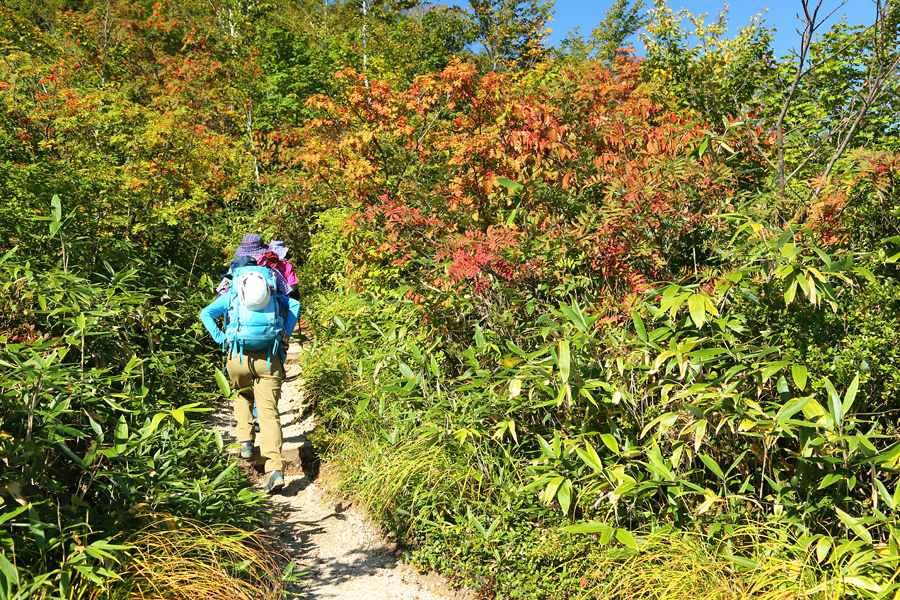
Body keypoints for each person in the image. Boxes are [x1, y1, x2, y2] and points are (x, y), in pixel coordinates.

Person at [199, 246, 301, 494]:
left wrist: (221, 338)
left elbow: (206, 313)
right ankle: (275, 469)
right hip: (269, 356)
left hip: (237, 357)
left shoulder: (232, 289)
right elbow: (295, 305)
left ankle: (245, 443)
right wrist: (284, 335)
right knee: (268, 412)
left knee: (242, 395)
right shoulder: (272, 285)